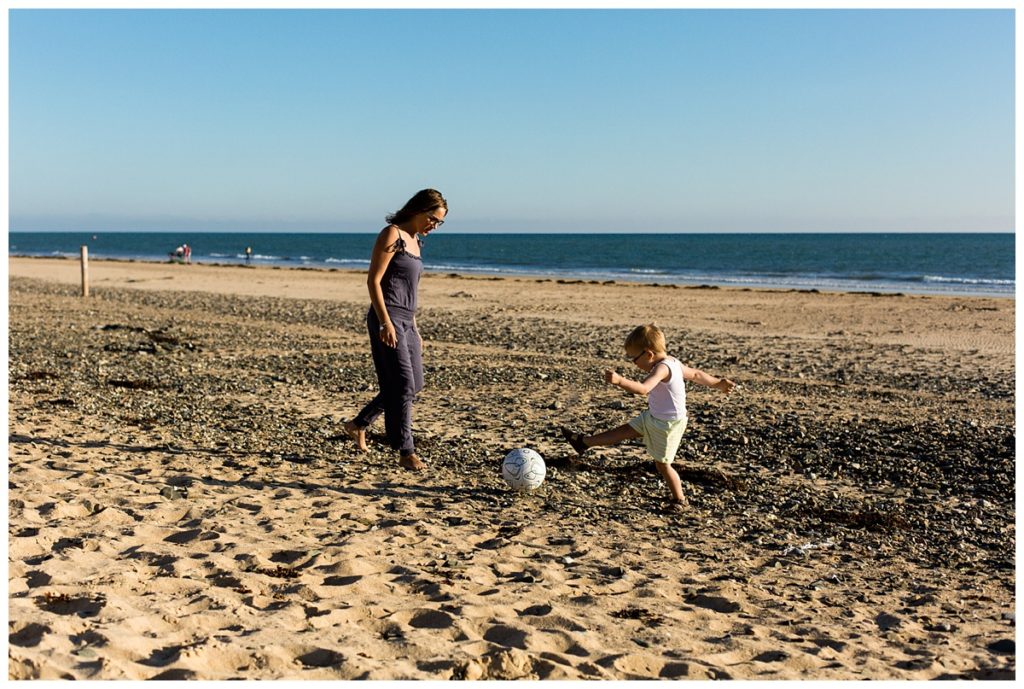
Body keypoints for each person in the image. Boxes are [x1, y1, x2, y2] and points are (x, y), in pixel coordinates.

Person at [560, 323, 736, 512]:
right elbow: (696, 374)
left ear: (649, 354)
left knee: (663, 465)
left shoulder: (662, 369)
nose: (633, 363)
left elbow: (644, 389)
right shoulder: (674, 362)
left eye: (634, 358)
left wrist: (620, 381)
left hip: (667, 424)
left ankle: (680, 500)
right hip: (654, 416)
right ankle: (584, 442)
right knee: (625, 430)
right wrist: (718, 383)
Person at [343, 189, 448, 471]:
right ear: (418, 210)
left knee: (414, 385)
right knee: (402, 384)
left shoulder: (415, 242)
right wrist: (385, 322)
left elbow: (409, 290)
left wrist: (415, 328)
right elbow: (373, 282)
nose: (434, 226)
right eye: (432, 219)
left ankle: (358, 424)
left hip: (407, 321)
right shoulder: (392, 234)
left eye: (439, 223)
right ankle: (406, 451)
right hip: (386, 316)